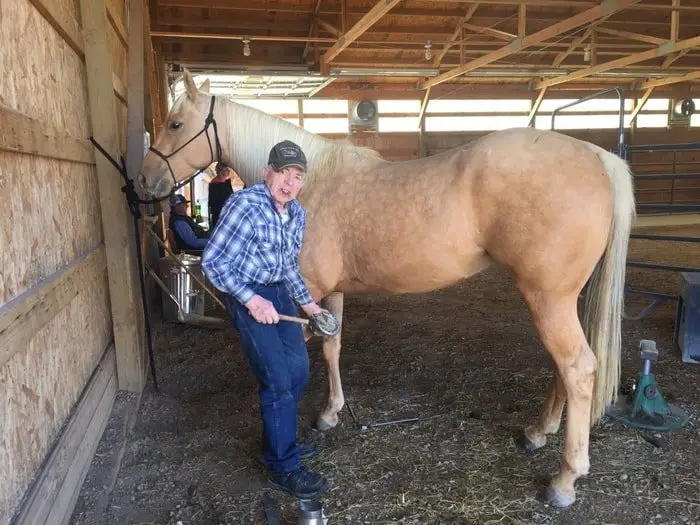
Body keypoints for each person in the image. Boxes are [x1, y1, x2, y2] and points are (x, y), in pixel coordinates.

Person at [201, 140, 329, 500]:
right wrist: (250, 299)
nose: (288, 183)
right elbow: (213, 262)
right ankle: (284, 468)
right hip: (248, 294)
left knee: (300, 371)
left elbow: (289, 267)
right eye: (283, 173)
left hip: (279, 295)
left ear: (303, 182)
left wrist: (310, 307)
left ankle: (278, 442)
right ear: (266, 173)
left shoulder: (297, 213)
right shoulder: (244, 205)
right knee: (278, 380)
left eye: (297, 176)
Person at [208, 162, 235, 232]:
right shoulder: (215, 185)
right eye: (226, 169)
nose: (228, 171)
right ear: (220, 172)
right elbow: (214, 203)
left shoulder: (225, 183)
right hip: (220, 217)